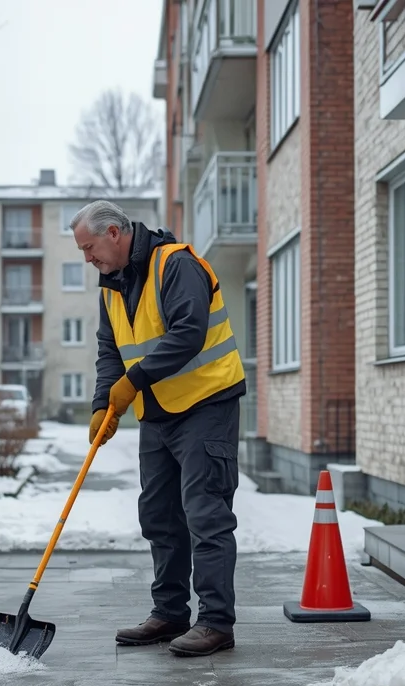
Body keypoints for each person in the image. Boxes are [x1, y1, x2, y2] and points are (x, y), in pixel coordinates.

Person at [69, 200, 246, 657]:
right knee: (159, 515)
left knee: (205, 514)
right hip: (158, 413)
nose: (87, 258)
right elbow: (110, 351)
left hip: (206, 404)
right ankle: (169, 612)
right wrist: (103, 404)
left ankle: (216, 623)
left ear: (114, 233)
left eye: (89, 248)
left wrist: (134, 381)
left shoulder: (176, 265)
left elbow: (188, 333)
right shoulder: (112, 287)